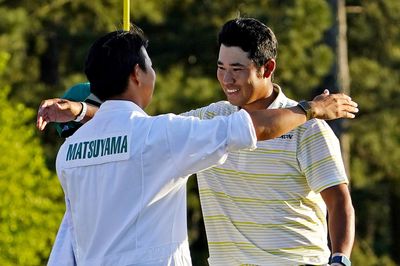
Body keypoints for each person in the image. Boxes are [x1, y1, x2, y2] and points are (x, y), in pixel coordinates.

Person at [37, 21, 358, 266]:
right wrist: (82, 111)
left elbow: (339, 202)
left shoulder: (309, 131)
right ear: (137, 74)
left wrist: (340, 258)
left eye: (237, 69)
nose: (227, 80)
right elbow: (141, 132)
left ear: (267, 68)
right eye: (220, 68)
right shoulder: (208, 119)